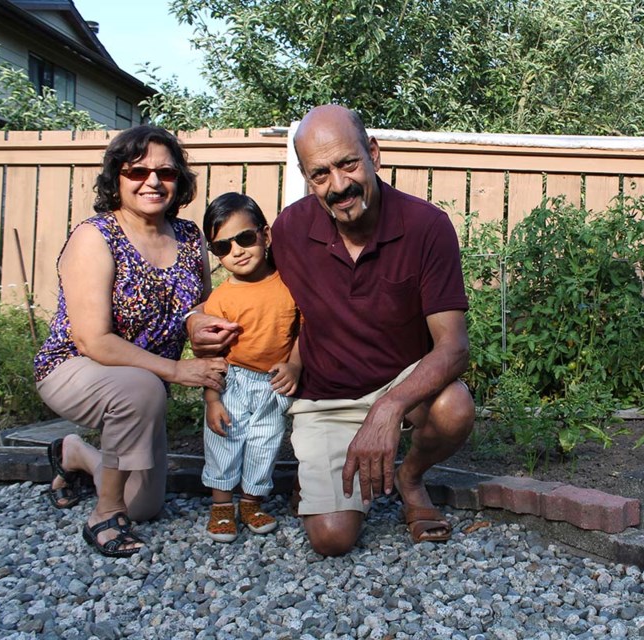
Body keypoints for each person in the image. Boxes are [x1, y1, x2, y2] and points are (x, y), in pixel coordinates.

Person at [189, 104, 475, 556]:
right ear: (306, 177)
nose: (338, 185)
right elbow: (248, 285)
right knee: (332, 540)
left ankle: (410, 477)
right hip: (326, 397)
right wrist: (196, 319)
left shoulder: (427, 227)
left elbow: (454, 347)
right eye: (320, 174)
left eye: (348, 163)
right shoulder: (290, 230)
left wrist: (388, 407)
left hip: (402, 386)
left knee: (455, 407)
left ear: (374, 154)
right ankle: (320, 479)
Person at [34, 125, 227, 558]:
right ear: (116, 179)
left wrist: (200, 326)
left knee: (144, 505)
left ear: (180, 180)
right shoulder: (96, 236)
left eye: (166, 172)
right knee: (139, 389)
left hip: (143, 384)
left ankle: (75, 453)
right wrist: (178, 370)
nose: (153, 182)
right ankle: (103, 513)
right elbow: (93, 340)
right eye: (137, 171)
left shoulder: (188, 236)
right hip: (73, 367)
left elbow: (198, 306)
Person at [200, 192, 299, 542]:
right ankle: (222, 505)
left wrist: (295, 365)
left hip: (273, 383)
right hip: (233, 382)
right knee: (224, 441)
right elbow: (211, 356)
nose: (237, 251)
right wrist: (212, 400)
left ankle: (252, 502)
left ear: (265, 235)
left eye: (244, 238)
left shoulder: (290, 285)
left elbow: (304, 329)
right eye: (222, 247)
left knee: (265, 444)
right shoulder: (221, 299)